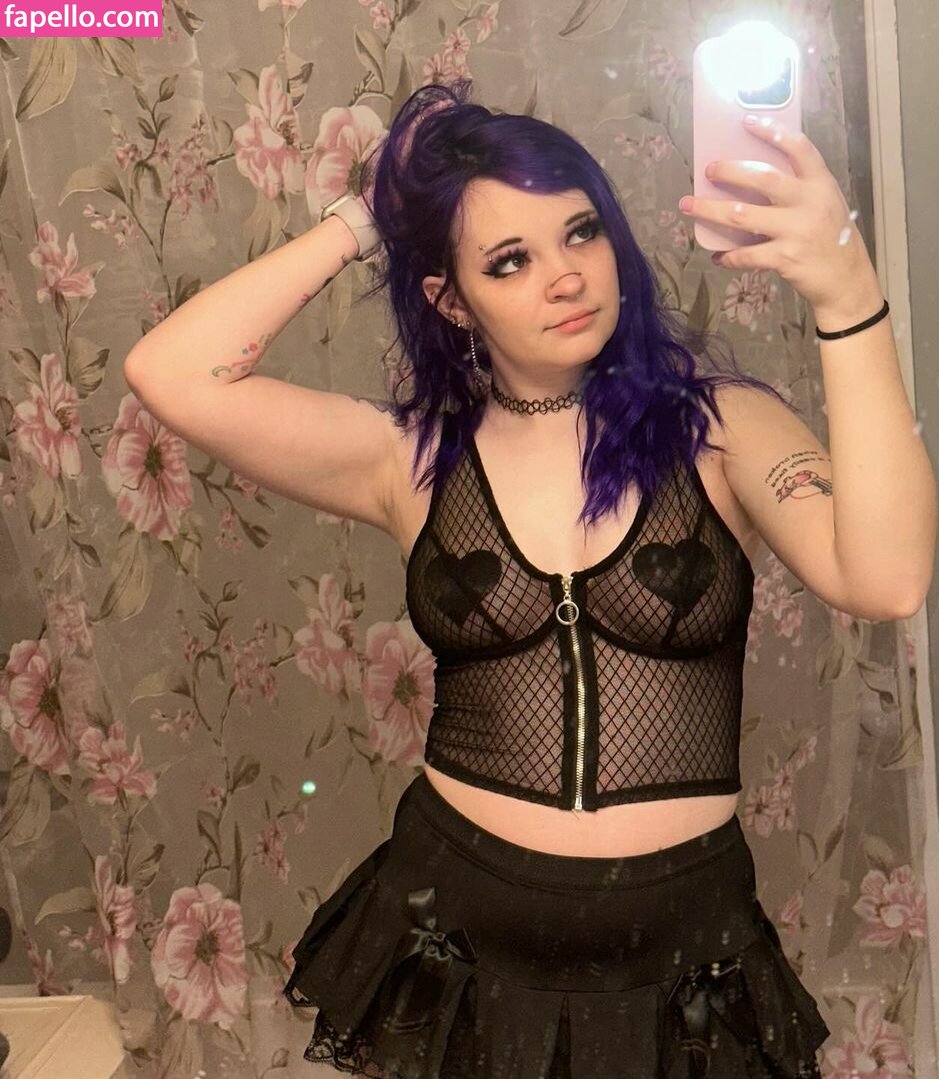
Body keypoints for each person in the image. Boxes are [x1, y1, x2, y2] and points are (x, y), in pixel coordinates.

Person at [123, 76, 899, 1078]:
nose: (565, 276)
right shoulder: (410, 459)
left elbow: (884, 578)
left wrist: (846, 296)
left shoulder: (719, 428)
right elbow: (172, 373)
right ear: (451, 298)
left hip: (684, 951)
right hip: (459, 934)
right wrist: (368, 217)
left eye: (582, 233)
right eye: (509, 259)